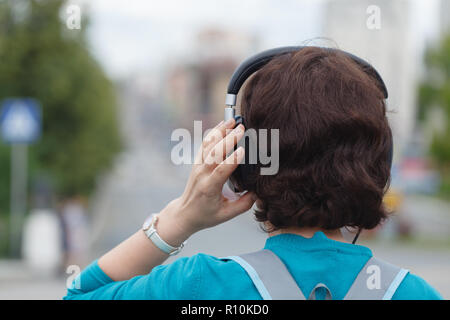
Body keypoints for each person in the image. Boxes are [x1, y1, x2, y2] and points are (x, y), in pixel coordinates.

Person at [64, 47, 442, 300]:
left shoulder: (197, 287)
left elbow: (76, 295)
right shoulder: (415, 294)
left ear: (244, 162)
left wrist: (181, 217)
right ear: (379, 163)